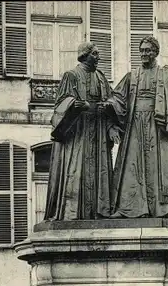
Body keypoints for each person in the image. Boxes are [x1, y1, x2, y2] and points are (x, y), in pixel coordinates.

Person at [103, 36, 168, 219]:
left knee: (159, 168)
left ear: (155, 52)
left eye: (148, 50)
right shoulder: (132, 76)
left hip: (158, 127)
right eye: (141, 50)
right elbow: (117, 97)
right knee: (132, 166)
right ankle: (129, 209)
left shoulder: (167, 75)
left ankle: (163, 209)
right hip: (134, 124)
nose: (144, 54)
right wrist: (110, 104)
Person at [44, 42, 120, 220]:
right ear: (84, 55)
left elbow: (112, 102)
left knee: (99, 172)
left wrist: (109, 119)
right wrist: (75, 105)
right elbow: (60, 104)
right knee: (77, 170)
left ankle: (98, 213)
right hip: (78, 132)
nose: (98, 57)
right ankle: (73, 214)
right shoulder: (71, 76)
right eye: (95, 54)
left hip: (99, 131)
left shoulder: (101, 77)